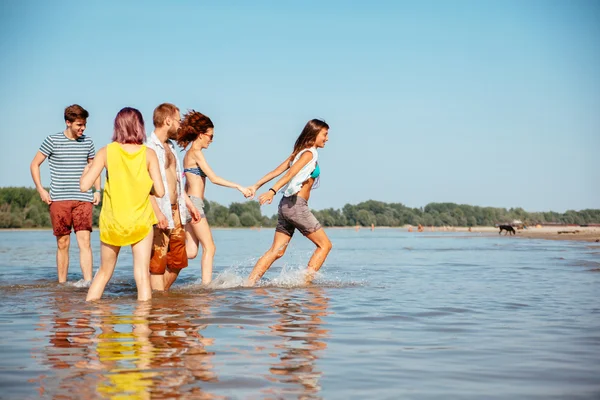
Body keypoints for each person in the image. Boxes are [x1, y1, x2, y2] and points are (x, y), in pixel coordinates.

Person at [81, 107, 164, 301]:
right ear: (139, 127)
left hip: (113, 221)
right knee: (142, 276)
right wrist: (142, 186)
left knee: (103, 273)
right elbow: (160, 191)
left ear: (117, 126)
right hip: (140, 221)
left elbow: (85, 186)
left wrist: (86, 170)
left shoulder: (106, 152)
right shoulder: (148, 154)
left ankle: (91, 318)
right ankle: (142, 326)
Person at [246, 119, 332, 286]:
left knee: (276, 251)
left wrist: (256, 185)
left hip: (285, 205)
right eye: (325, 134)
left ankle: (249, 284)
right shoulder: (309, 153)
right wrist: (271, 191)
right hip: (296, 206)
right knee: (325, 245)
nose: (327, 138)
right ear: (314, 134)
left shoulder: (299, 152)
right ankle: (306, 283)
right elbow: (291, 172)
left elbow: (276, 170)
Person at [176, 110, 252, 285]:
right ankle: (206, 288)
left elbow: (187, 183)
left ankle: (158, 260)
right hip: (194, 204)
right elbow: (214, 178)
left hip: (188, 204)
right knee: (210, 247)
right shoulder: (195, 152)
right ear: (201, 134)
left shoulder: (188, 153)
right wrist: (239, 187)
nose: (211, 140)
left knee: (191, 251)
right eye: (210, 136)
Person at [30, 104, 101, 284]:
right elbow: (34, 164)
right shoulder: (52, 141)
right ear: (68, 123)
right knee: (63, 243)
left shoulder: (88, 142)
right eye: (79, 125)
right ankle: (62, 285)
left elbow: (95, 168)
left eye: (84, 124)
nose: (82, 128)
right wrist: (41, 189)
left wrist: (98, 190)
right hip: (59, 200)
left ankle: (88, 284)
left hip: (83, 199)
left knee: (84, 242)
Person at [146, 103, 200, 292]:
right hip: (159, 211)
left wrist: (190, 205)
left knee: (178, 261)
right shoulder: (148, 148)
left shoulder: (171, 147)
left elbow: (176, 182)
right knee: (157, 264)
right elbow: (145, 188)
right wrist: (157, 213)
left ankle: (161, 299)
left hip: (177, 210)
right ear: (168, 121)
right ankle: (158, 310)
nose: (180, 126)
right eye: (178, 121)